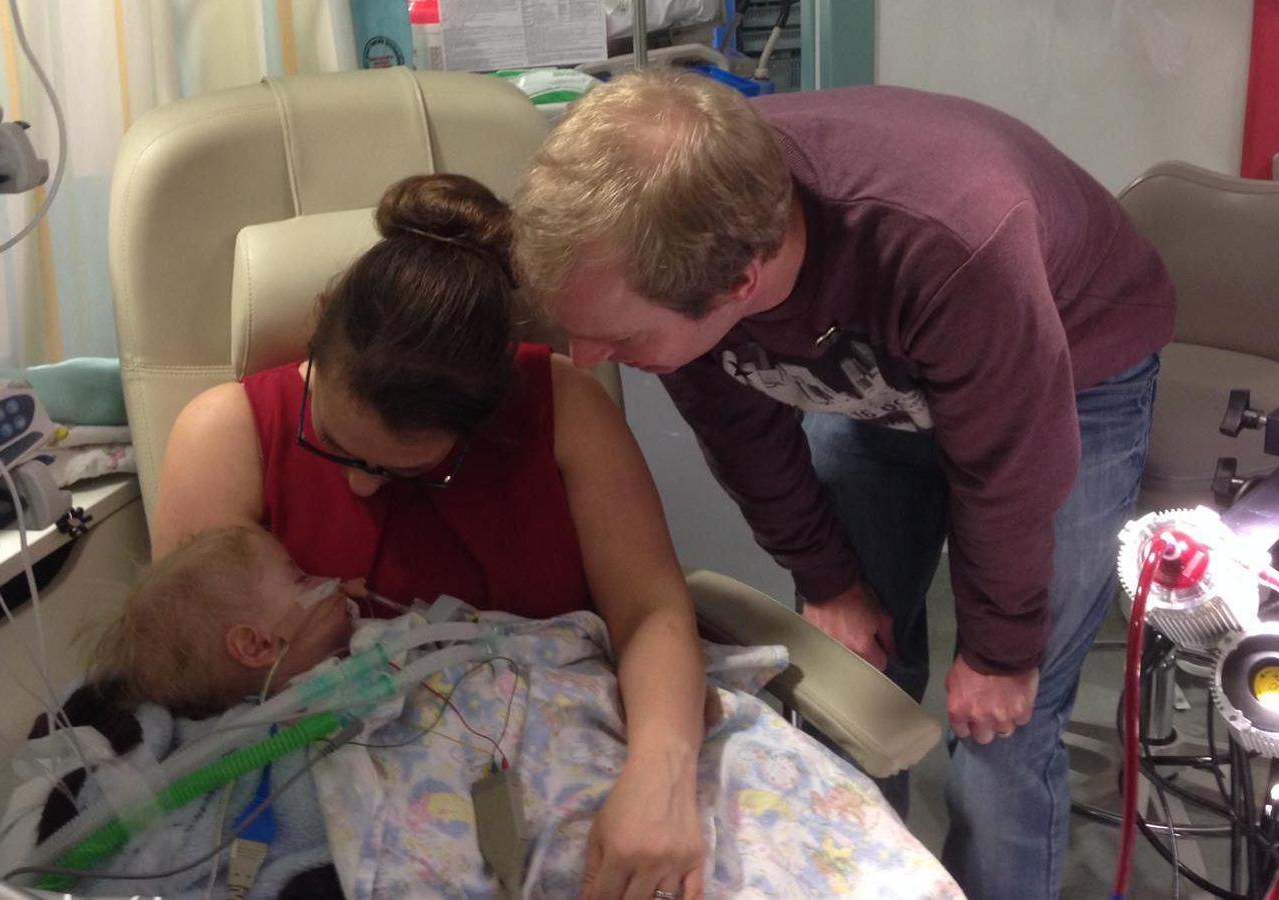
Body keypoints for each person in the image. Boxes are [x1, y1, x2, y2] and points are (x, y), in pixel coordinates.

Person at [511, 72, 1175, 900]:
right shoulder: (680, 237)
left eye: (617, 336)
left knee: (1006, 722)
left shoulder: (949, 239)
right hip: (881, 360)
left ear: (739, 286)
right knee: (854, 675)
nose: (588, 360)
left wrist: (1001, 648)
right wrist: (830, 580)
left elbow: (1008, 470)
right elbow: (744, 436)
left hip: (1070, 365)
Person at [155, 174, 708, 900]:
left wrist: (660, 778)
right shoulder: (226, 433)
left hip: (551, 761)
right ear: (321, 321)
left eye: (414, 469)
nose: (361, 489)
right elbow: (201, 673)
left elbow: (651, 611)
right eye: (335, 446)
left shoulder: (563, 410)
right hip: (331, 803)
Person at [89, 526, 361, 717]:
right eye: (301, 579)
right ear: (257, 646)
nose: (326, 580)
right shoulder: (301, 731)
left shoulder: (364, 647)